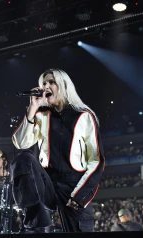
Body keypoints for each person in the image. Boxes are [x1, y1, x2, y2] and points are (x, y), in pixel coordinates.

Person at [11, 69, 105, 233]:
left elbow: (96, 161)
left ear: (63, 85)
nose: (46, 86)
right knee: (24, 158)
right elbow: (20, 142)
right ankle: (36, 221)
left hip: (73, 185)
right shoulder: (41, 114)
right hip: (48, 182)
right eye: (44, 83)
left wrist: (80, 196)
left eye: (51, 82)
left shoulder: (84, 116)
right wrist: (33, 107)